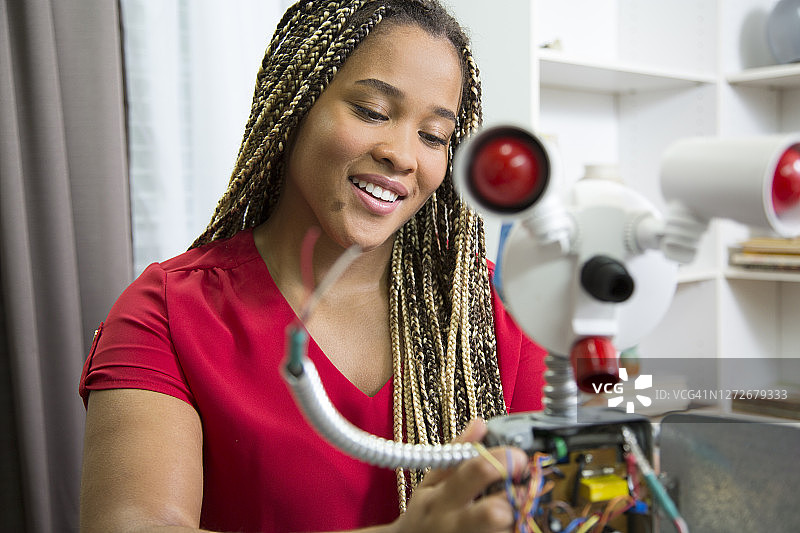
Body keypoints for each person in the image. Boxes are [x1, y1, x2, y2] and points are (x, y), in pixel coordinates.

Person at [79, 1, 546, 532]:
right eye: (372, 111)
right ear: (293, 105)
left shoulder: (499, 310)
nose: (404, 155)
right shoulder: (166, 312)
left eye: (434, 136)